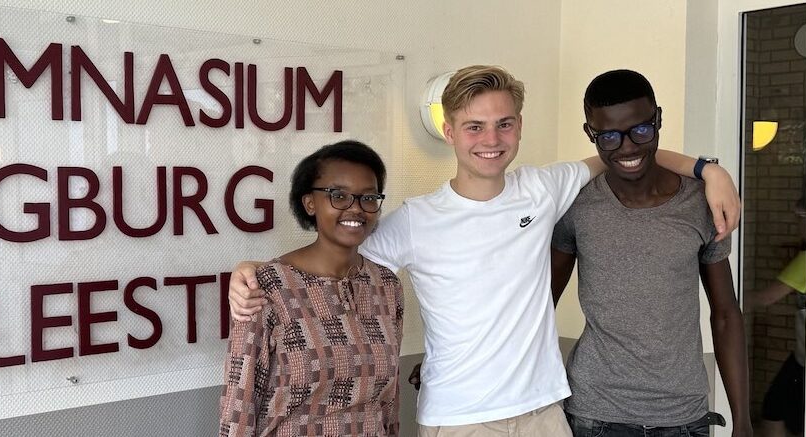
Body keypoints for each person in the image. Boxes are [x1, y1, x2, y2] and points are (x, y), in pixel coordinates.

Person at [228, 65, 741, 436]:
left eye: (504, 123)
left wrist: (708, 169)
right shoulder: (414, 221)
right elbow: (333, 254)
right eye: (474, 126)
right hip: (459, 418)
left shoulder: (545, 188)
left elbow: (622, 150)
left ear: (519, 126)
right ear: (450, 131)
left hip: (545, 411)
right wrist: (255, 271)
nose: (491, 139)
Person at [549, 69, 750, 437]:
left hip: (683, 417)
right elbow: (540, 304)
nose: (627, 148)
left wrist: (743, 420)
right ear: (590, 134)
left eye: (641, 130)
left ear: (658, 119)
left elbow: (725, 314)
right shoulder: (576, 205)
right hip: (596, 414)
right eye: (608, 137)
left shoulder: (701, 202)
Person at [218, 140, 404, 436]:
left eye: (368, 198)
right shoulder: (268, 286)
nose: (356, 209)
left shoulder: (387, 286)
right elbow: (240, 404)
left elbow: (389, 401)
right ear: (310, 203)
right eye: (338, 195)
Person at [751, 199, 806, 437]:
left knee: (775, 410)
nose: (798, 226)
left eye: (801, 220)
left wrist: (729, 305)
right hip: (803, 356)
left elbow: (767, 298)